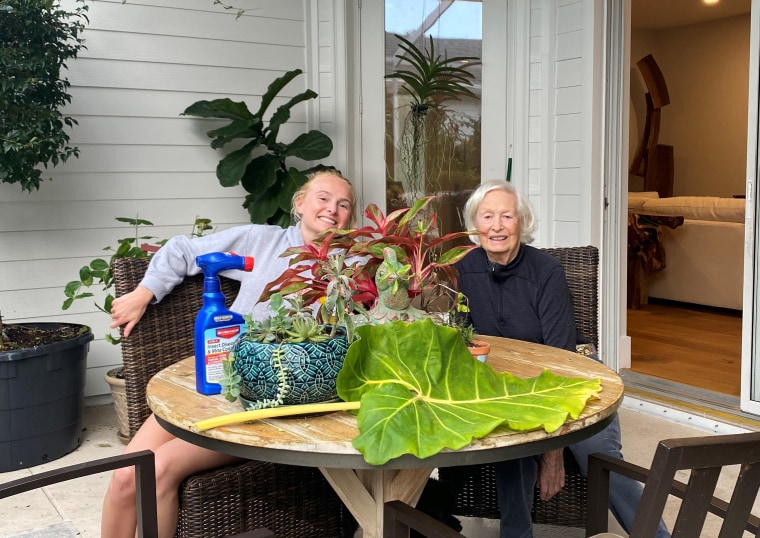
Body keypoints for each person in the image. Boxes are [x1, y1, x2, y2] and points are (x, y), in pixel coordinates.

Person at [101, 169, 356, 538]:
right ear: (300, 204)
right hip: (216, 385)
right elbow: (183, 250)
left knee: (158, 470)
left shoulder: (353, 268)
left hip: (269, 408)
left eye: (343, 204)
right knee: (126, 474)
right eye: (323, 198)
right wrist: (145, 292)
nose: (332, 208)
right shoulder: (262, 242)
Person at [454, 180, 669, 538]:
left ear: (522, 222)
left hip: (570, 370)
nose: (496, 226)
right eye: (487, 216)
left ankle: (655, 535)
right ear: (475, 225)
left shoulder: (546, 272)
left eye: (507, 216)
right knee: (512, 443)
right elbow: (462, 340)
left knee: (598, 453)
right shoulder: (463, 270)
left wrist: (553, 451)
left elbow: (561, 357)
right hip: (509, 381)